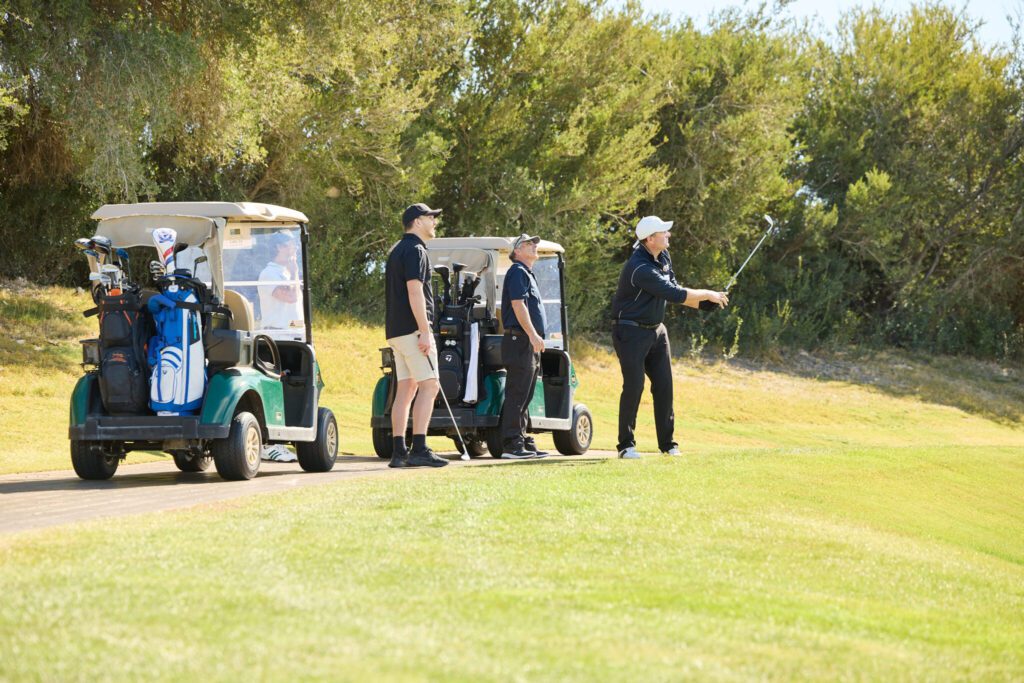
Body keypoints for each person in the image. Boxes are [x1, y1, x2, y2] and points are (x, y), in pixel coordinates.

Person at [611, 216, 729, 459]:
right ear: (650, 239)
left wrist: (704, 304)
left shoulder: (663, 256)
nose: (669, 235)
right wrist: (707, 293)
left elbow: (674, 292)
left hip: (656, 330)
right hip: (630, 332)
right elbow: (674, 293)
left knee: (664, 386)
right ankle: (626, 446)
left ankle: (668, 445)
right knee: (634, 386)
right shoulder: (640, 267)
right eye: (663, 232)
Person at [383, 203, 449, 468]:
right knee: (430, 385)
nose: (434, 221)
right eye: (430, 217)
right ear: (417, 222)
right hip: (413, 330)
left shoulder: (397, 249)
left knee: (407, 388)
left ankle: (399, 451)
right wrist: (424, 330)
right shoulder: (416, 250)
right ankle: (419, 448)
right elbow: (414, 291)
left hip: (396, 332)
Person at [499, 234, 551, 459]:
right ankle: (512, 444)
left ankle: (522, 439)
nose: (534, 246)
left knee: (526, 394)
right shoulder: (517, 271)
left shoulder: (526, 273)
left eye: (534, 244)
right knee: (518, 393)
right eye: (528, 244)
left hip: (527, 341)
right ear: (517, 251)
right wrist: (532, 334)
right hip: (520, 340)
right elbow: (518, 305)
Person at [257, 232, 302, 330]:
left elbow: (293, 311)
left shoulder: (288, 271)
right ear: (279, 247)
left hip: (292, 332)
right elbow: (291, 297)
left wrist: (301, 328)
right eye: (292, 244)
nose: (296, 248)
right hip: (277, 334)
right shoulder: (268, 274)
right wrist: (294, 273)